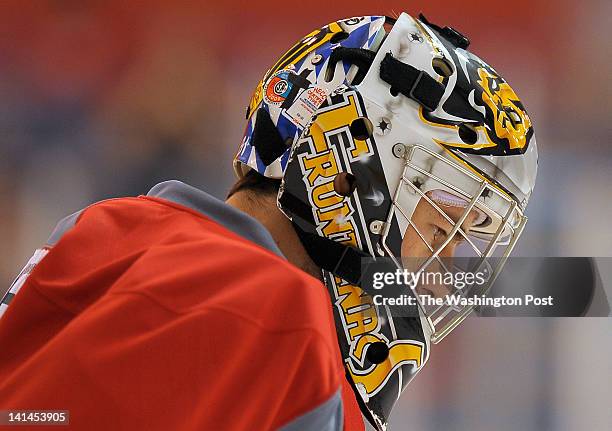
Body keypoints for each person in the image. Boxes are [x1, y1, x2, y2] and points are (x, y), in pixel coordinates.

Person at [0, 12, 537, 431]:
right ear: (351, 170)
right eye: (440, 229)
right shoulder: (270, 312)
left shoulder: (109, 229)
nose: (445, 271)